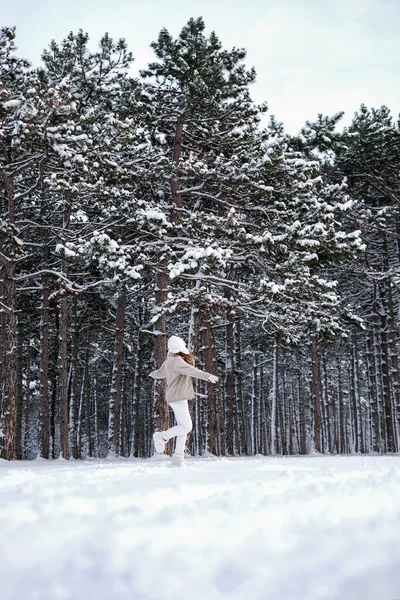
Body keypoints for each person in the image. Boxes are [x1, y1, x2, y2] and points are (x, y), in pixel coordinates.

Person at [149, 335, 219, 466]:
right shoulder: (176, 361)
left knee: (183, 427)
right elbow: (192, 371)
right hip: (178, 397)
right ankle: (162, 436)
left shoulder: (170, 360)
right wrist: (207, 376)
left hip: (177, 397)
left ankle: (178, 458)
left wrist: (152, 374)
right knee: (187, 426)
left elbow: (160, 373)